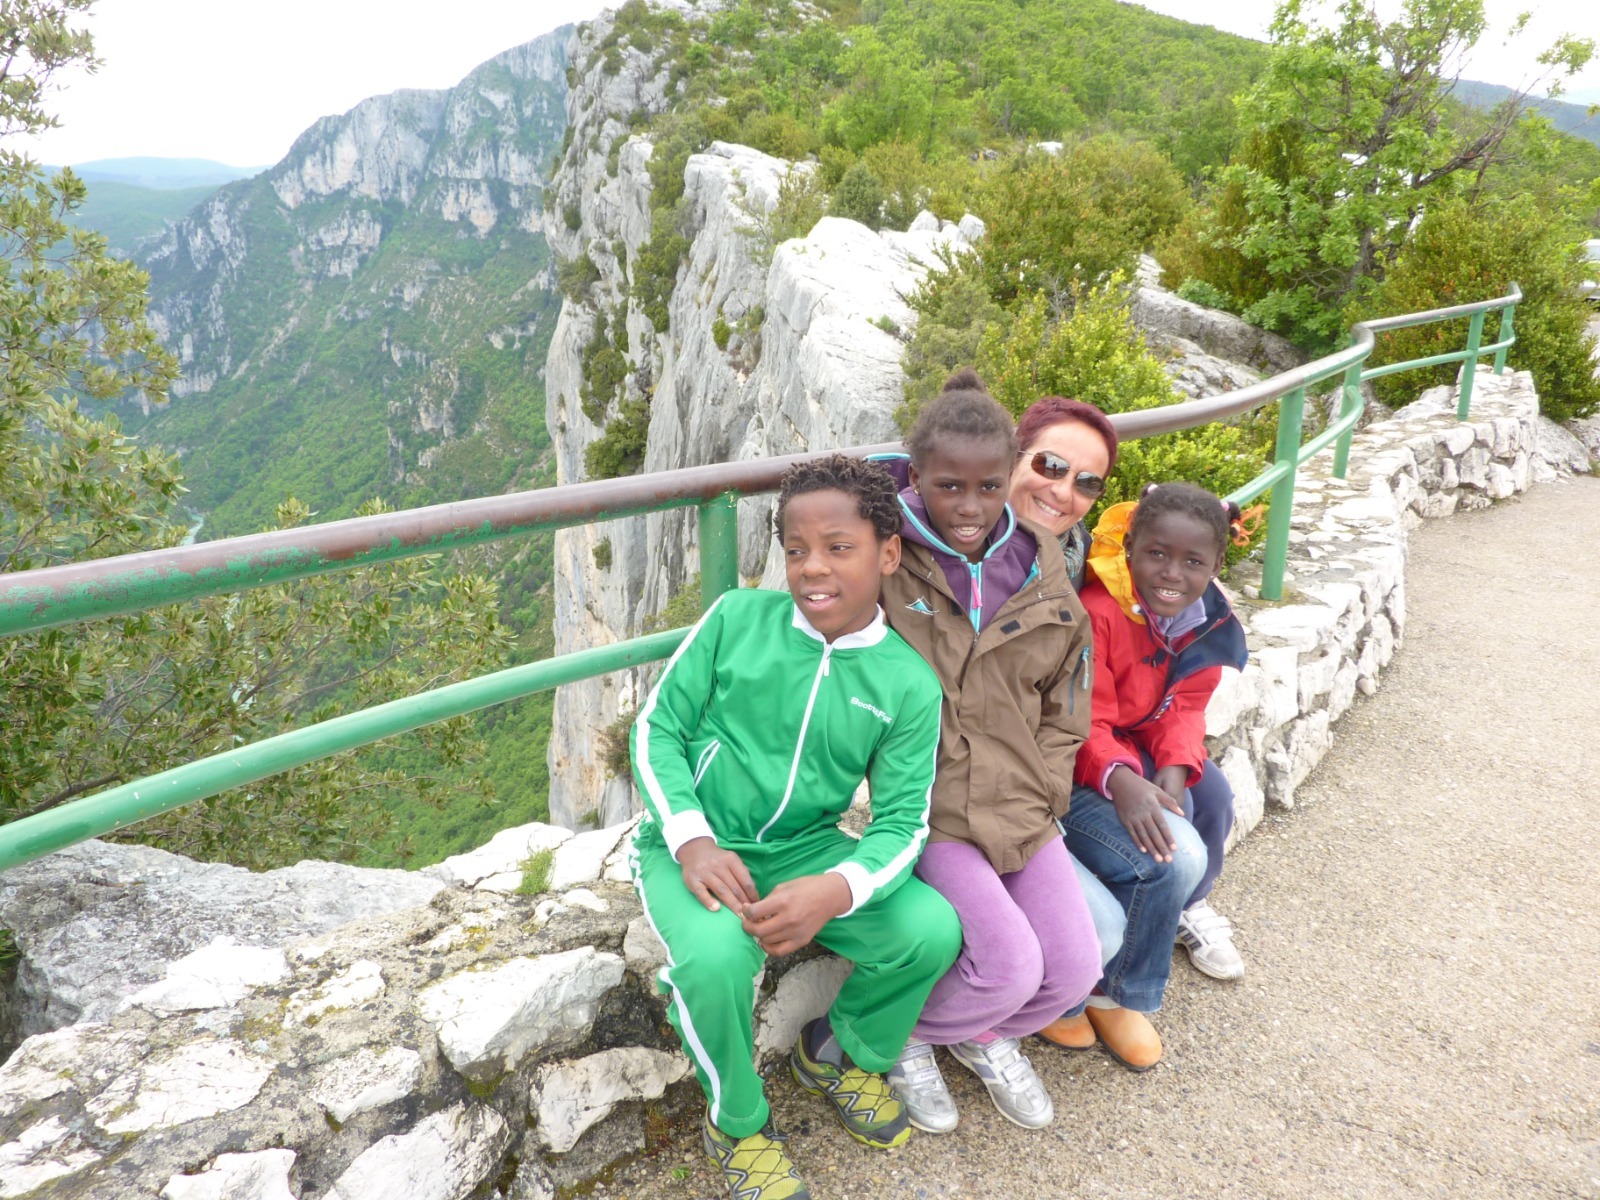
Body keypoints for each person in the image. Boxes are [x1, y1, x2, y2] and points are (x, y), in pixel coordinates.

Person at [629, 454, 962, 1200]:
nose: (813, 570)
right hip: (694, 843)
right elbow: (657, 730)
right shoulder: (735, 620)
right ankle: (738, 1121)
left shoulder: (907, 684)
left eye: (838, 548)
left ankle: (838, 1052)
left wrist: (835, 889)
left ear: (888, 552)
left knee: (931, 929)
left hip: (807, 846)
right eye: (795, 550)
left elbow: (904, 823)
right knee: (714, 960)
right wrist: (690, 836)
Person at [872, 369, 1102, 1134]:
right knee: (1009, 964)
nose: (969, 509)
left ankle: (977, 1032)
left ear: (1009, 475)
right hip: (926, 804)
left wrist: (1046, 786)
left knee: (1074, 967)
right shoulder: (883, 556)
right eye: (948, 487)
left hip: (1019, 798)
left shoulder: (1041, 556)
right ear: (916, 478)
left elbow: (1068, 691)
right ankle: (893, 1039)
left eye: (987, 486)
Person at [1051, 481, 1251, 1070]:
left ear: (1216, 566)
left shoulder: (1208, 619)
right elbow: (1083, 718)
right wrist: (1121, 778)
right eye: (1157, 554)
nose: (1172, 573)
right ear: (1130, 547)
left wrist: (1170, 771)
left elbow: (1187, 705)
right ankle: (1113, 988)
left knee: (1208, 797)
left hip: (1143, 738)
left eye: (1194, 562)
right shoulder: (1100, 610)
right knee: (1167, 845)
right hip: (1091, 748)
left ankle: (1179, 913)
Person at [1008, 395, 1120, 590]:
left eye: (1088, 483)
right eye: (1051, 465)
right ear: (1013, 458)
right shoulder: (949, 539)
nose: (1063, 493)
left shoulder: (1086, 562)